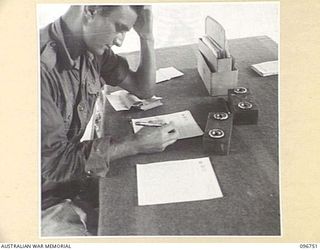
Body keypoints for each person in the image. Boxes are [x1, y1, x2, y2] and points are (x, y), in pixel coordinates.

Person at [40, 5, 179, 236]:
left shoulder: (90, 48)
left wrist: (147, 37)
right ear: (91, 9)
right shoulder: (36, 68)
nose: (120, 41)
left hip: (70, 184)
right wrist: (134, 144)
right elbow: (54, 164)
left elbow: (143, 89)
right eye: (119, 28)